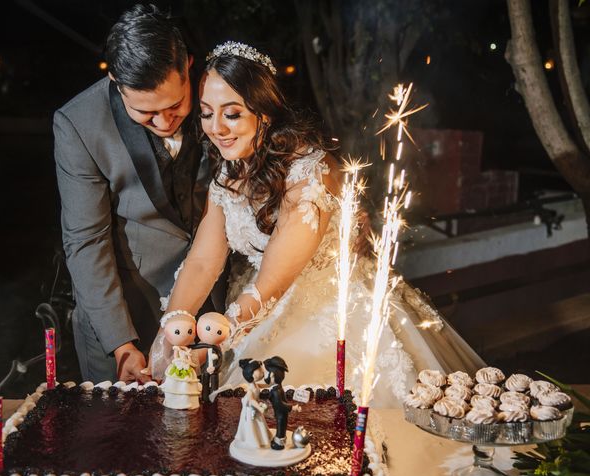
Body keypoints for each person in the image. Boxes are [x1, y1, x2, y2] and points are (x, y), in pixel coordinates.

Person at [148, 41, 485, 407]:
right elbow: (202, 260)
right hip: (255, 304)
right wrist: (170, 331)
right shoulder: (229, 170)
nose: (216, 129)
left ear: (264, 112)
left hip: (329, 313)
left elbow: (273, 281)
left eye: (232, 114)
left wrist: (215, 341)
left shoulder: (310, 169)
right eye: (206, 113)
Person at [53, 4, 225, 384]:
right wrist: (121, 344)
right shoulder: (78, 124)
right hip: (128, 309)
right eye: (146, 113)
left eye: (176, 106)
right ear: (116, 81)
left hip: (219, 309)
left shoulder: (221, 96)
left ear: (189, 66)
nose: (164, 122)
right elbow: (85, 241)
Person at [233, 358, 272, 449]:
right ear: (251, 374)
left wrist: (271, 380)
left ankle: (262, 439)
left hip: (256, 408)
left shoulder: (256, 385)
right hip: (251, 410)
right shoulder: (250, 389)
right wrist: (259, 407)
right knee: (253, 426)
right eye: (259, 370)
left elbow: (267, 385)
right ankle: (253, 441)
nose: (262, 372)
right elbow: (251, 400)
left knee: (260, 424)